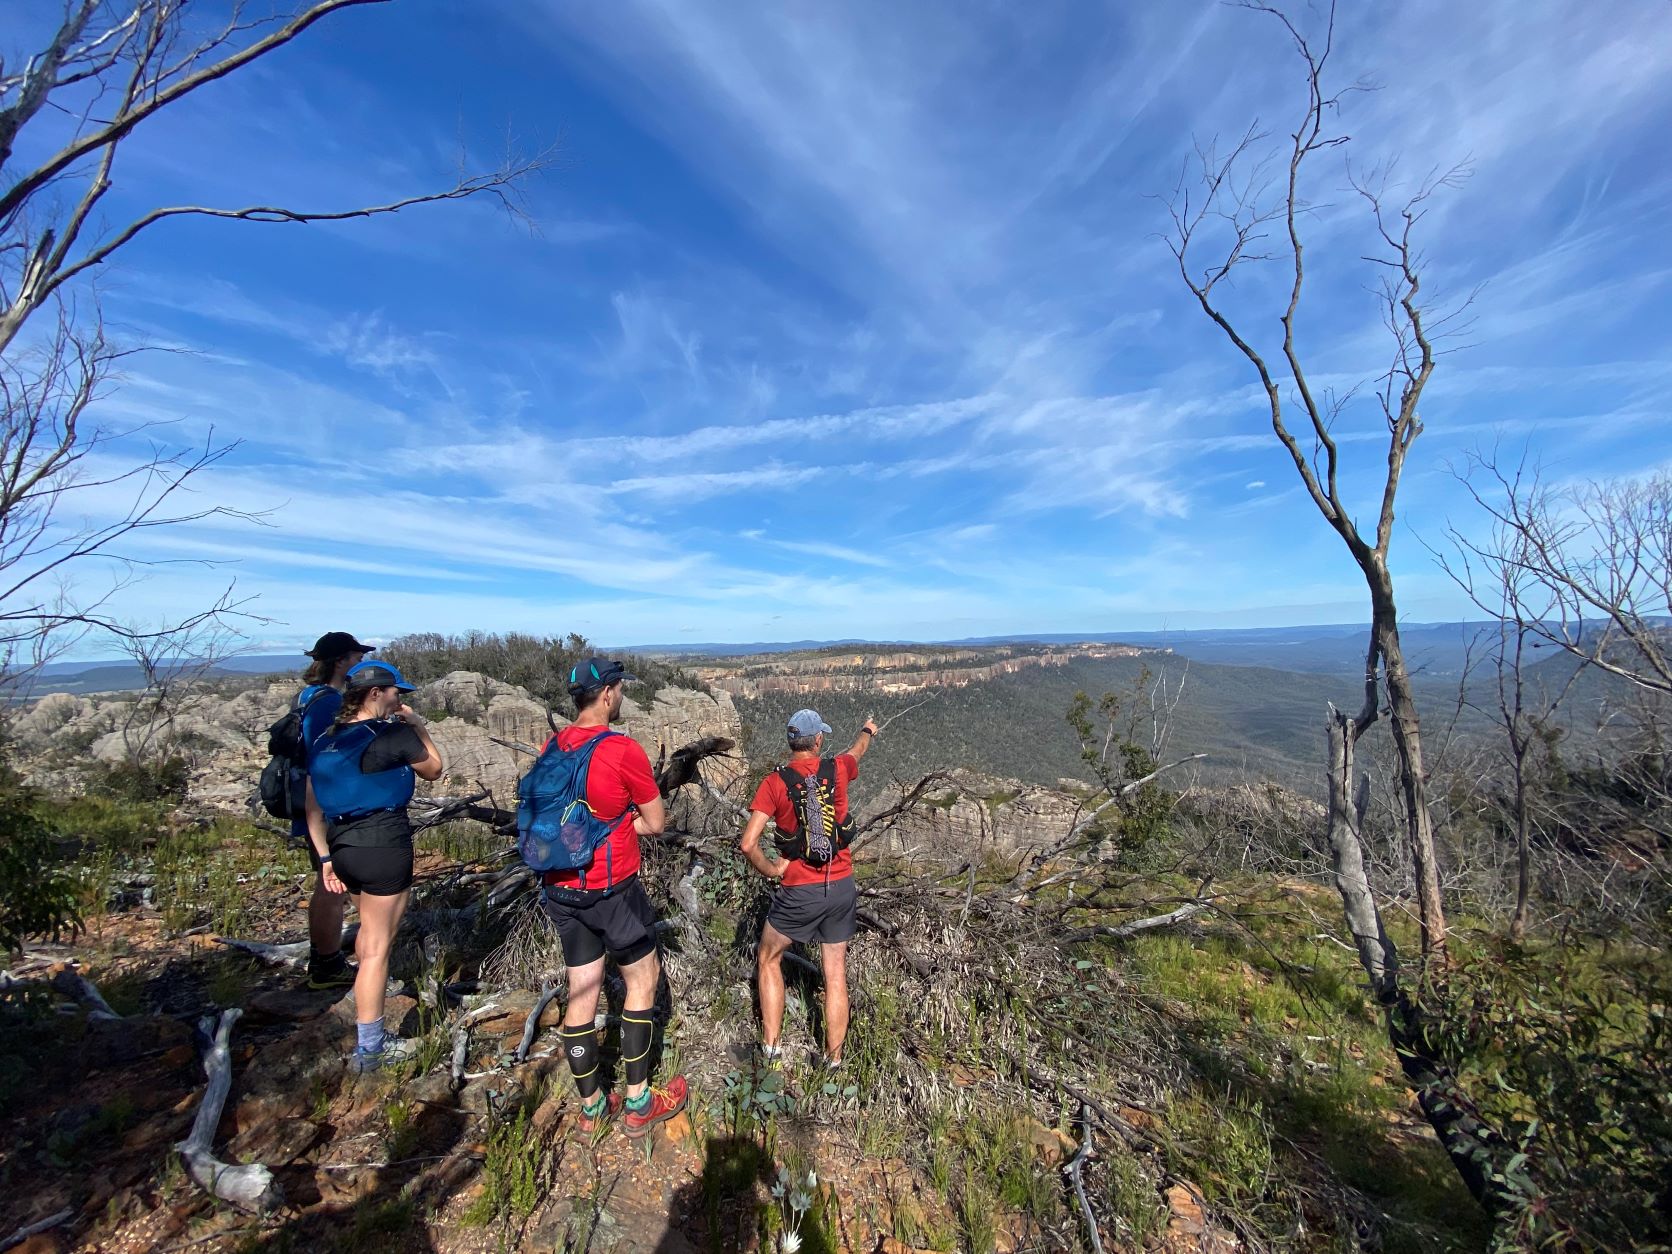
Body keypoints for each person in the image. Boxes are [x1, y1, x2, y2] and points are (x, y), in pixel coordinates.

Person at [538, 656, 688, 1138]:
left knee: (582, 987)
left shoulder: (552, 746)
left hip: (561, 889)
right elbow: (656, 822)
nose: (622, 696)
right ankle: (640, 1101)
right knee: (642, 980)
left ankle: (591, 1106)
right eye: (620, 689)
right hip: (610, 890)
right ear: (606, 694)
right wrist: (623, 827)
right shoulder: (621, 749)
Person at [304, 660, 444, 1072]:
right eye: (396, 692)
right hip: (383, 841)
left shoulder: (327, 740)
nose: (401, 699)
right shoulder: (391, 734)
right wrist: (418, 725)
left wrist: (325, 858)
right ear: (375, 694)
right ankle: (371, 1049)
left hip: (341, 845)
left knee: (368, 930)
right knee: (379, 947)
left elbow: (313, 806)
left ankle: (363, 1003)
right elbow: (434, 769)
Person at [739, 708, 879, 1069]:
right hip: (842, 884)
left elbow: (747, 843)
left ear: (791, 742)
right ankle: (833, 1063)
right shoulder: (838, 769)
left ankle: (770, 1051)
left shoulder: (774, 783)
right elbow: (858, 749)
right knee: (835, 972)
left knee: (770, 957)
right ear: (818, 741)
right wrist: (867, 730)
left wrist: (772, 869)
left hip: (799, 889)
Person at [292, 632, 374, 990]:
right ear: (341, 660)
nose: (359, 662)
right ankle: (359, 962)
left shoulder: (310, 696)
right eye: (356, 656)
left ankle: (327, 961)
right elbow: (325, 754)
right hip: (329, 808)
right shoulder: (326, 702)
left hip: (322, 805)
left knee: (330, 885)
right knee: (340, 886)